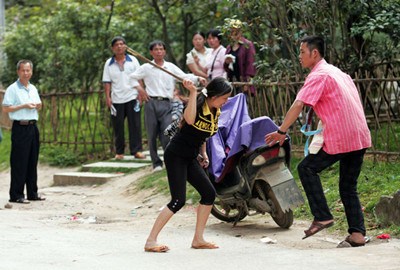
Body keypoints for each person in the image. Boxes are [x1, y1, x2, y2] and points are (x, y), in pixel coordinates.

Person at [265, 36, 371, 248]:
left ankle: (322, 216)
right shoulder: (337, 72)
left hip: (342, 136)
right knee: (348, 186)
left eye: (302, 52)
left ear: (315, 53)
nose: (299, 56)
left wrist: (281, 131)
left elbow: (298, 104)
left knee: (306, 169)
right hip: (359, 134)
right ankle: (358, 234)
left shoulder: (318, 75)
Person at [144, 77, 233, 252]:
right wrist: (193, 92)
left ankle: (198, 239)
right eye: (224, 98)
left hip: (191, 156)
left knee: (208, 193)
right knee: (178, 200)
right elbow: (190, 120)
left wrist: (203, 153)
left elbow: (204, 134)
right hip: (176, 155)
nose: (226, 101)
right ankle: (150, 241)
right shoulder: (197, 106)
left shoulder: (215, 111)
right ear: (213, 97)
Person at [129, 40, 205, 172]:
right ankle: (156, 163)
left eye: (161, 49)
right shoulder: (146, 67)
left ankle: (169, 159)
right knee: (151, 134)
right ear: (151, 52)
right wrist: (140, 90)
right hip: (151, 103)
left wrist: (197, 78)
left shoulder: (170, 67)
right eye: (156, 49)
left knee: (167, 132)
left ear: (164, 51)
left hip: (167, 103)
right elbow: (131, 78)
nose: (159, 51)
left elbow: (183, 77)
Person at [2, 60, 45, 204]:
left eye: (28, 70)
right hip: (20, 127)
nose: (26, 73)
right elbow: (6, 108)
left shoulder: (33, 88)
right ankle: (16, 195)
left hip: (33, 127)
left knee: (32, 161)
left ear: (31, 72)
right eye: (23, 70)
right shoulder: (12, 89)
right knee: (19, 161)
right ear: (18, 72)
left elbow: (38, 104)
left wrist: (38, 105)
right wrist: (23, 105)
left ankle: (33, 193)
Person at [102, 36, 146, 160]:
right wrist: (108, 97)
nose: (119, 46)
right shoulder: (108, 63)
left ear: (125, 46)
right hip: (116, 98)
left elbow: (139, 77)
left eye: (122, 44)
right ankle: (119, 152)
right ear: (112, 48)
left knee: (135, 125)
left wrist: (141, 93)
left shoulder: (133, 60)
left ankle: (136, 150)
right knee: (118, 126)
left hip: (132, 96)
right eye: (116, 45)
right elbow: (107, 82)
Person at [223, 19, 256, 95]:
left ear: (241, 32)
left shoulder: (247, 45)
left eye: (236, 32)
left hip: (243, 81)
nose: (234, 34)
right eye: (232, 32)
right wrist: (227, 62)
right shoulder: (229, 47)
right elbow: (226, 67)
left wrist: (247, 82)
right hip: (231, 82)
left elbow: (251, 63)